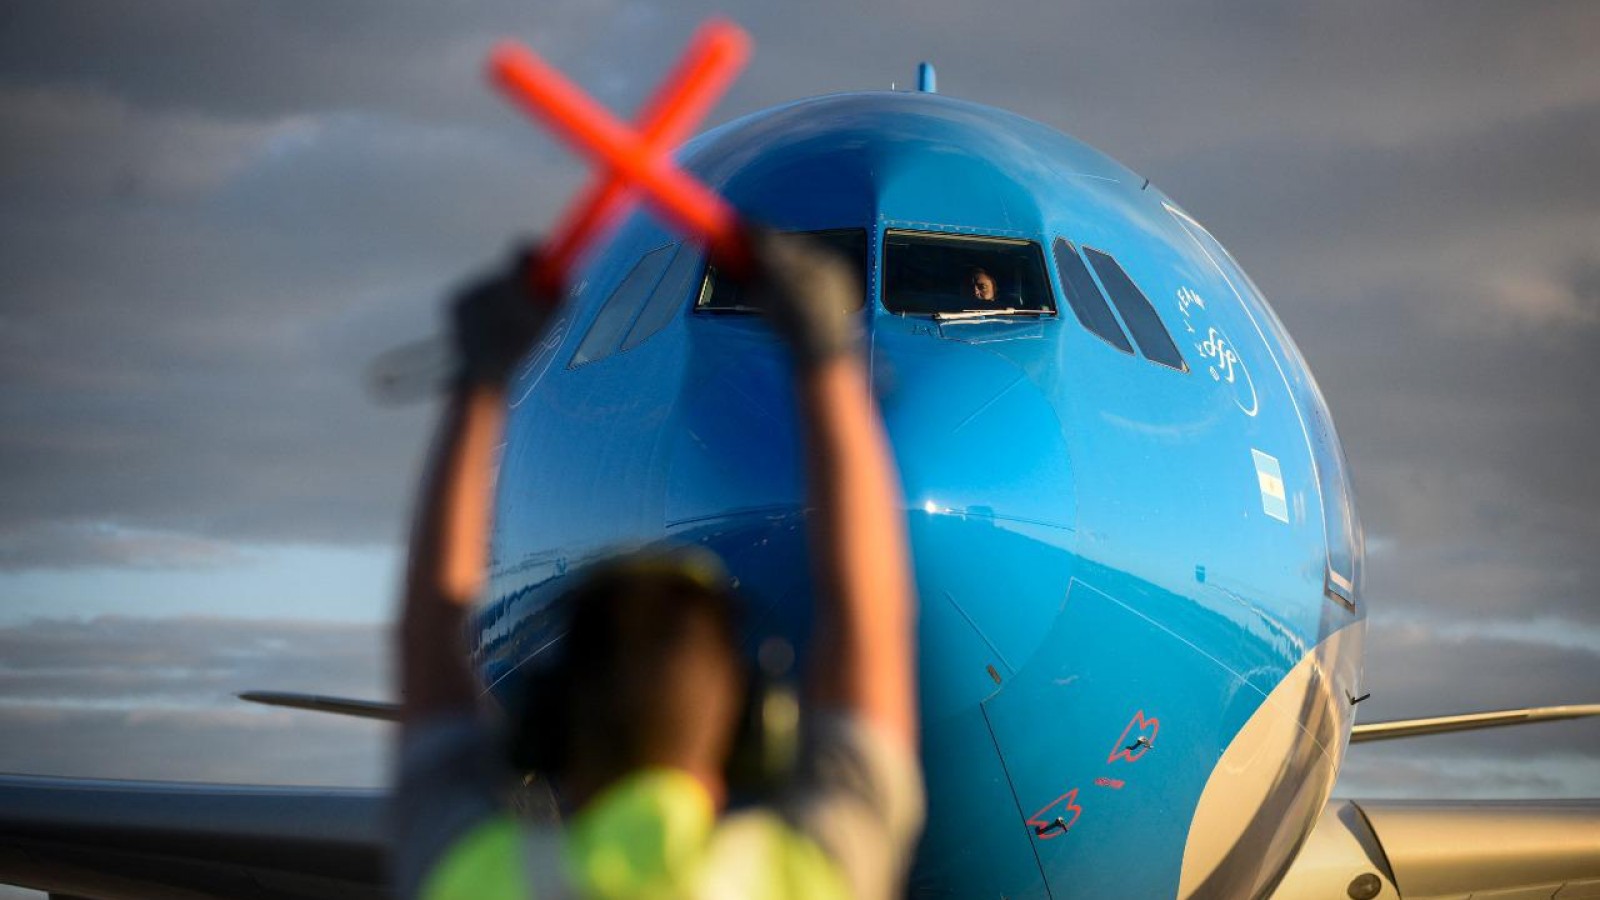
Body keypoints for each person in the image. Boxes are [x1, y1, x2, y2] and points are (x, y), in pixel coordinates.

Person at [393, 230, 923, 899]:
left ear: (545, 726)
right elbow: (868, 623)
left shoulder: (481, 878)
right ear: (751, 730)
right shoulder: (795, 879)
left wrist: (478, 378)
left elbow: (430, 652)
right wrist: (826, 353)